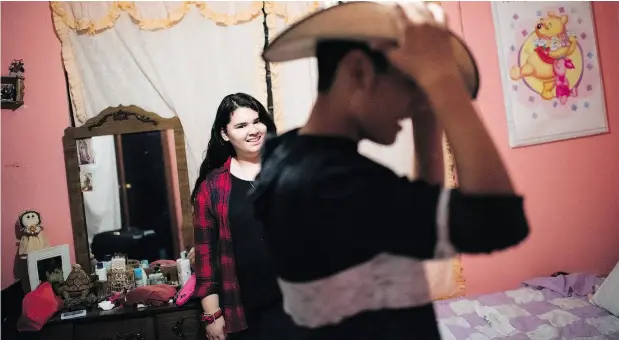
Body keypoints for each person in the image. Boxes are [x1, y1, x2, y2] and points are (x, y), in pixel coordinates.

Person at [250, 2, 530, 340]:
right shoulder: (331, 183)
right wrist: (441, 79)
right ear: (359, 71)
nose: (418, 102)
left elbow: (416, 227)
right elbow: (498, 220)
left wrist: (427, 122)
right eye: (412, 84)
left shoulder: (288, 156)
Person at [191, 93, 304, 340]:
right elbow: (205, 257)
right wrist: (212, 315)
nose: (253, 130)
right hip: (243, 308)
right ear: (224, 134)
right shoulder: (212, 187)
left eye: (257, 121)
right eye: (241, 126)